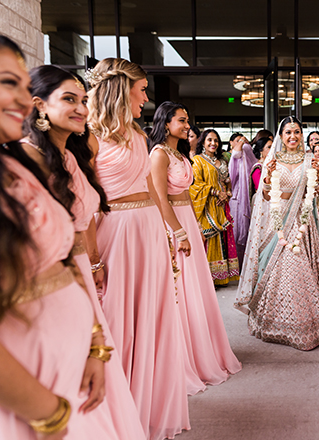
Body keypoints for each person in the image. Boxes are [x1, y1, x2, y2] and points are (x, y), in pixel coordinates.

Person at [0, 22, 119, 439]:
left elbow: (65, 256)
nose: (23, 100)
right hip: (17, 394)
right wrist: (49, 414)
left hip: (67, 378)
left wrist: (94, 344)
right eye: (7, 82)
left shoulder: (13, 166)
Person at [20, 64, 145, 439]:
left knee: (96, 367)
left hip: (76, 273)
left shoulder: (71, 157)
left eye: (83, 100)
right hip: (50, 279)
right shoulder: (28, 158)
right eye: (69, 100)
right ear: (39, 105)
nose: (81, 109)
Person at [87, 57, 191, 438]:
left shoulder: (139, 136)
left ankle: (146, 405)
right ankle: (114, 411)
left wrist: (168, 231)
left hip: (148, 227)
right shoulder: (90, 136)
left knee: (153, 314)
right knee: (116, 318)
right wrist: (94, 259)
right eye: (142, 89)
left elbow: (151, 189)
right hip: (116, 228)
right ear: (120, 89)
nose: (146, 99)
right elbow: (84, 201)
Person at [235, 116, 319, 350]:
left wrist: (315, 176)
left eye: (296, 132)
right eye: (288, 132)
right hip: (278, 222)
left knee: (299, 267)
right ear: (281, 136)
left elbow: (313, 192)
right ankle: (276, 323)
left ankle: (309, 325)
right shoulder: (272, 159)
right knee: (280, 269)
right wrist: (267, 180)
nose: (293, 137)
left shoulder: (309, 160)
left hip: (302, 223)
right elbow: (266, 196)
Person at [149, 101, 242, 390]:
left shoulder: (180, 153)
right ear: (166, 123)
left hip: (189, 218)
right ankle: (182, 356)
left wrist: (194, 227)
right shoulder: (159, 154)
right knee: (180, 288)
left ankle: (203, 350)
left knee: (197, 288)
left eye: (188, 120)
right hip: (173, 223)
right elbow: (160, 198)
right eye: (181, 120)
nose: (187, 125)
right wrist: (178, 232)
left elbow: (189, 194)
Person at [190, 129, 240, 285]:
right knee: (209, 238)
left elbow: (228, 182)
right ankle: (207, 278)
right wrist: (216, 192)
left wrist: (228, 193)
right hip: (207, 205)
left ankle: (221, 276)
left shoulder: (222, 161)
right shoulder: (197, 160)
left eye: (216, 140)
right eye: (209, 140)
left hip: (222, 206)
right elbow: (195, 184)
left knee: (223, 238)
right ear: (203, 142)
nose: (213, 143)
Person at [229, 131, 258, 267]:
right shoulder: (235, 160)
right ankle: (236, 265)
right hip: (236, 199)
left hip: (247, 199)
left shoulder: (252, 162)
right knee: (236, 231)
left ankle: (246, 265)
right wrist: (241, 142)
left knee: (247, 231)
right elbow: (231, 175)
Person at [250, 135, 273, 202]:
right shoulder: (258, 168)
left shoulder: (272, 165)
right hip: (262, 200)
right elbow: (260, 188)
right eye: (269, 147)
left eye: (273, 147)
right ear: (261, 151)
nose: (272, 149)